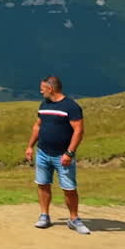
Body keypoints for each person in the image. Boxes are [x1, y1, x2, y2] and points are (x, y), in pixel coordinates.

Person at [25, 75, 88, 235]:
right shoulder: (44, 104)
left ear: (51, 88)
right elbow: (37, 126)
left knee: (69, 188)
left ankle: (74, 219)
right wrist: (30, 146)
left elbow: (78, 130)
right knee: (43, 184)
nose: (41, 91)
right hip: (43, 152)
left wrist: (69, 152)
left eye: (42, 88)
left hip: (63, 156)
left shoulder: (71, 106)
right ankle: (44, 215)